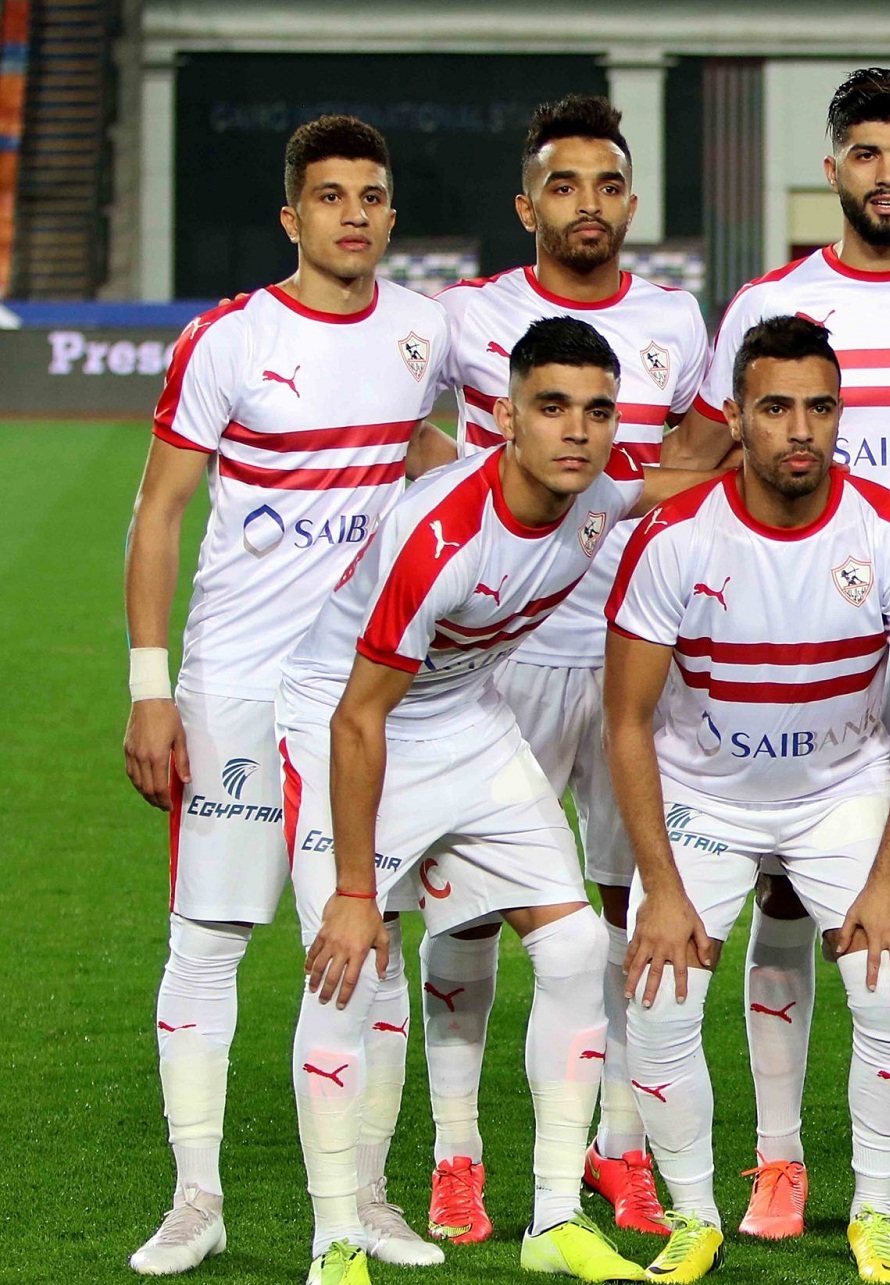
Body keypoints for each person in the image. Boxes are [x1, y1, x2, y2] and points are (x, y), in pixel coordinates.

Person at [275, 316, 715, 1285]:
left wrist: (765, 464)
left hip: (467, 718)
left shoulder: (598, 493)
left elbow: (666, 483)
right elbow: (357, 718)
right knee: (347, 969)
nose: (577, 429)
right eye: (552, 407)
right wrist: (356, 890)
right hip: (347, 722)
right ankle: (335, 1240)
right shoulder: (440, 537)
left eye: (597, 410)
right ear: (507, 418)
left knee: (572, 946)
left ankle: (554, 1217)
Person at [674, 68, 890, 1239]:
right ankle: (777, 1161)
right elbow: (710, 455)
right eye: (865, 153)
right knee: (785, 888)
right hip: (791, 634)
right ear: (831, 168)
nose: (886, 174)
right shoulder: (772, 301)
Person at [122, 114, 456, 1276]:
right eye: (329, 196)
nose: (352, 214)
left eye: (371, 196)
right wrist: (150, 689)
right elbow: (159, 513)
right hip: (236, 684)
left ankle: (367, 1193)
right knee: (210, 935)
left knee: (374, 938)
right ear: (291, 216)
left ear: (391, 216)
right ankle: (196, 1197)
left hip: (366, 694)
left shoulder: (424, 331)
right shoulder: (228, 338)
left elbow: (435, 453)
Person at [602, 316, 890, 1284]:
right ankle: (694, 1217)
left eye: (819, 407)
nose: (800, 429)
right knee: (658, 997)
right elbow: (627, 719)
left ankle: (873, 1213)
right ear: (734, 416)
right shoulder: (673, 538)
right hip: (704, 798)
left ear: (841, 413)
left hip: (839, 793)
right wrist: (660, 884)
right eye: (775, 408)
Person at [423, 92, 709, 1244]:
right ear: (526, 202)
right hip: (498, 663)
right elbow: (407, 430)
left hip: (637, 657)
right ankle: (455, 1153)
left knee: (633, 908)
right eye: (563, 184)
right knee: (466, 908)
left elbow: (691, 451)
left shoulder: (674, 319)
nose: (586, 204)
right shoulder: (467, 316)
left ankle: (618, 1145)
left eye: (606, 185)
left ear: (630, 202)